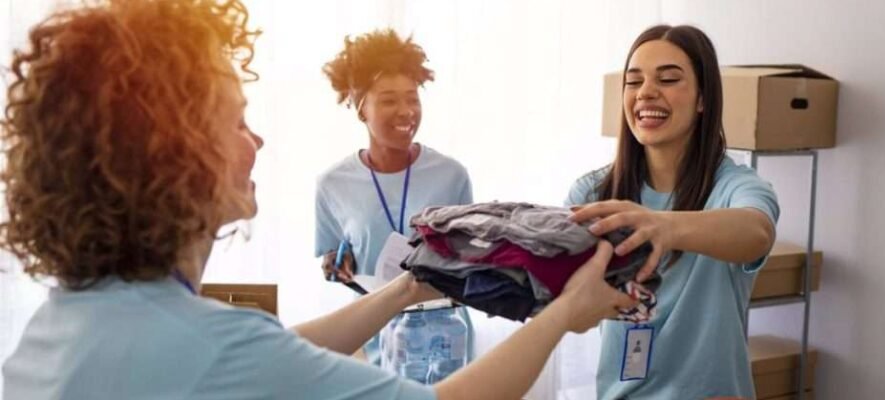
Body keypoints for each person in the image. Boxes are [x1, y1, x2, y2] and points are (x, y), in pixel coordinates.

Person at [0, 1, 636, 399]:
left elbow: (277, 352)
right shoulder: (214, 347)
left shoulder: (64, 325)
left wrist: (410, 286)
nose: (258, 139)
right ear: (171, 152)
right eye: (235, 120)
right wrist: (566, 312)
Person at [565, 25, 780, 400]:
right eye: (634, 82)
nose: (646, 92)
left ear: (702, 99)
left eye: (667, 78)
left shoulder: (736, 186)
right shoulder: (593, 192)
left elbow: (756, 232)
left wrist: (661, 225)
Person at [316, 29, 475, 364]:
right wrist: (336, 266)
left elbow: (469, 261)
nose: (406, 111)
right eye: (389, 100)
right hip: (374, 342)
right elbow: (331, 261)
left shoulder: (452, 175)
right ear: (361, 109)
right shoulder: (332, 184)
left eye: (412, 98)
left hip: (444, 342)